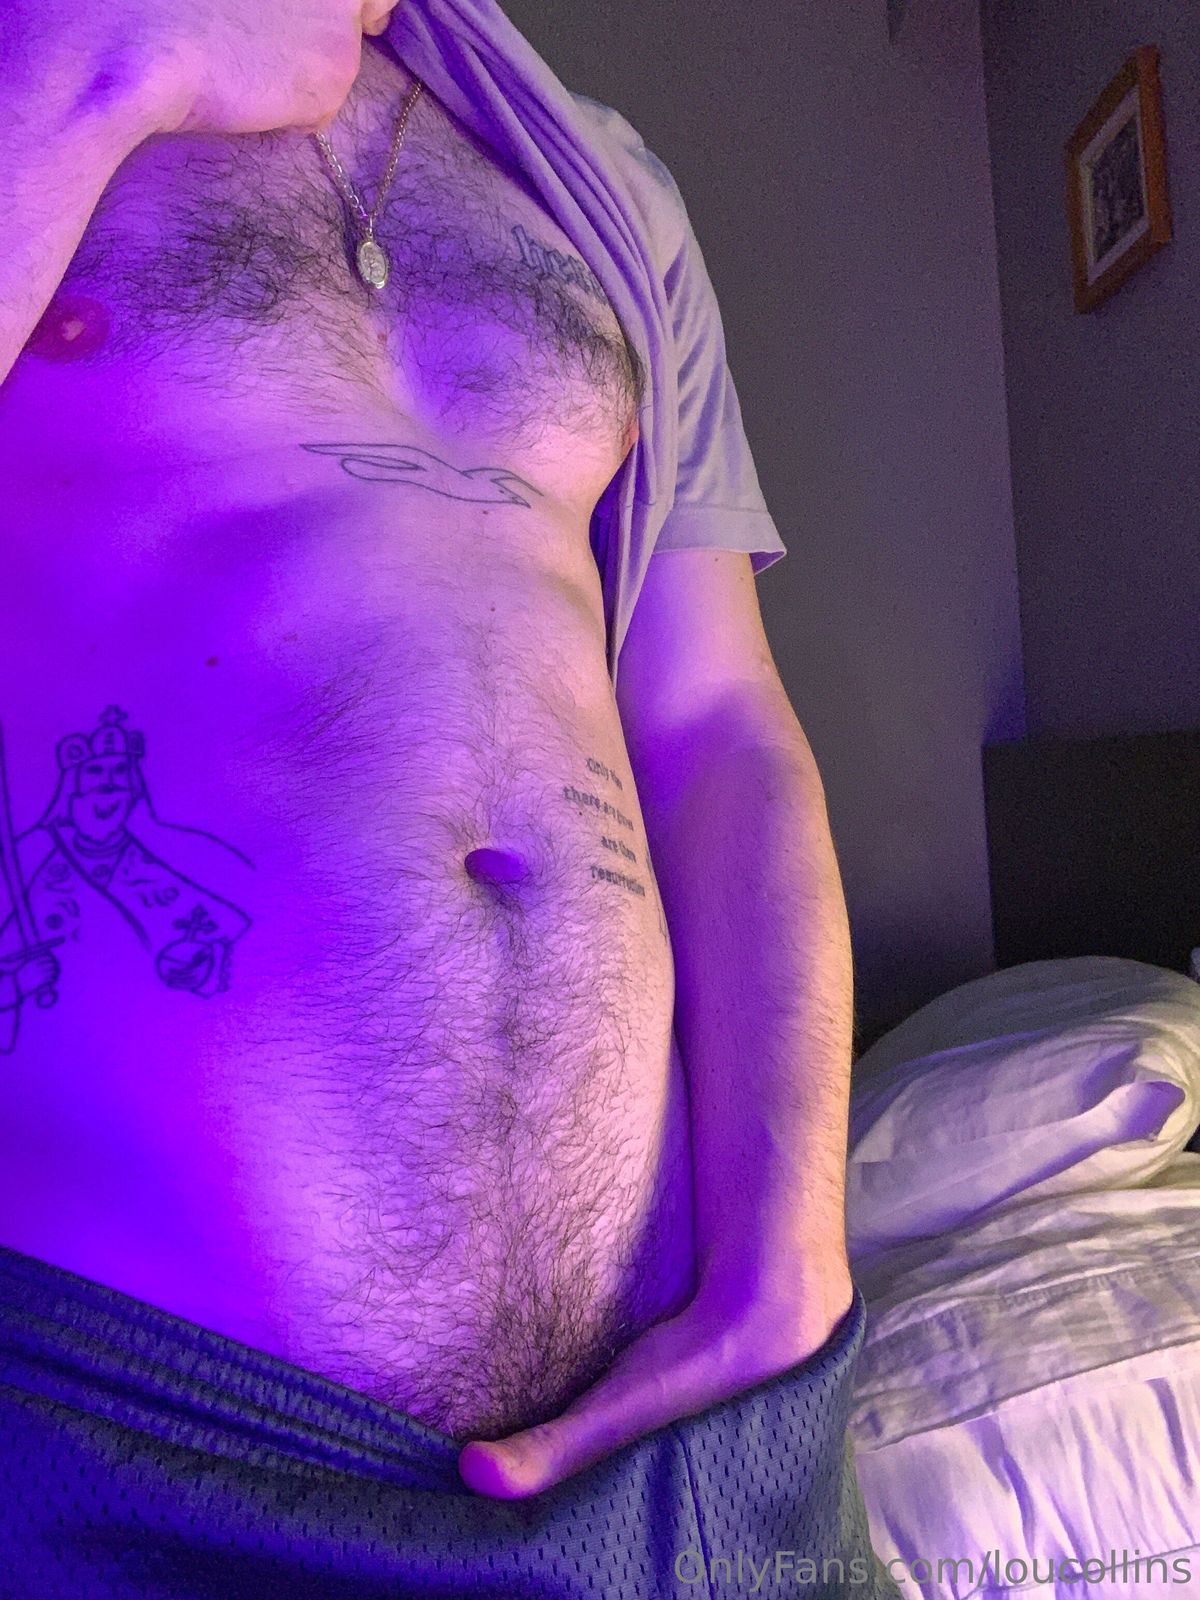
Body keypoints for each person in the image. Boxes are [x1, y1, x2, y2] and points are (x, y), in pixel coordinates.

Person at [0, 1, 901, 1593]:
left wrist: (790, 1257)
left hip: (667, 1426)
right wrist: (96, 66)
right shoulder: (45, 59)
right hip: (132, 1436)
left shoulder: (597, 182)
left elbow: (717, 728)